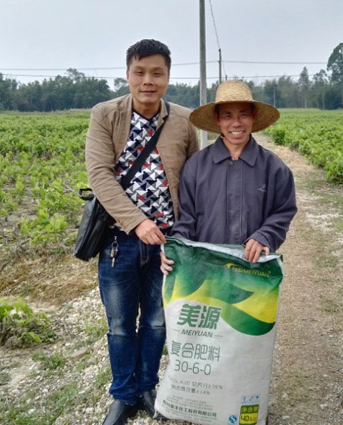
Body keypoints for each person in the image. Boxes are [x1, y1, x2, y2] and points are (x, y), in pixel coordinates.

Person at [85, 39, 198, 425]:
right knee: (119, 323)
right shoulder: (105, 114)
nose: (148, 81)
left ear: (167, 76)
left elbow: (195, 180)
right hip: (120, 241)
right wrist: (138, 221)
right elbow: (99, 174)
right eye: (140, 72)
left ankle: (148, 388)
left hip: (168, 243)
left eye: (157, 73)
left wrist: (183, 234)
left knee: (156, 320)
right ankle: (123, 395)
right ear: (128, 73)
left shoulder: (184, 120)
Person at [162, 79, 297, 271]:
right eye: (227, 116)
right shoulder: (196, 166)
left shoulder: (274, 168)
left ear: (253, 117)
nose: (236, 123)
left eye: (243, 114)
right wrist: (175, 249)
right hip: (205, 266)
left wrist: (265, 236)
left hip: (253, 268)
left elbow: (283, 211)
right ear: (217, 120)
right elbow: (186, 220)